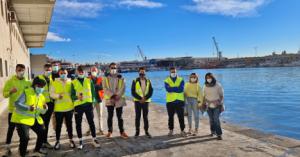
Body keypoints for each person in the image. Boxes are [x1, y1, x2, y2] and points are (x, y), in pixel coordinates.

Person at [11, 78, 48, 157]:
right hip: (21, 119)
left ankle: (37, 150)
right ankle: (22, 154)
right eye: (39, 86)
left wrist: (45, 108)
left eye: (42, 86)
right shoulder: (27, 92)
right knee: (25, 138)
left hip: (33, 119)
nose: (41, 88)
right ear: (34, 85)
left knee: (42, 132)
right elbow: (17, 104)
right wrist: (28, 108)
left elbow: (42, 112)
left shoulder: (42, 97)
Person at [2, 64, 31, 155]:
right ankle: (7, 147)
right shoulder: (10, 81)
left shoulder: (27, 82)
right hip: (13, 110)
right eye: (19, 70)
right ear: (16, 70)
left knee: (23, 131)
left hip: (23, 111)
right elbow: (4, 94)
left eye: (22, 70)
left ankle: (21, 148)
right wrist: (10, 91)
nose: (21, 72)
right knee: (11, 129)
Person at [71, 66, 100, 149]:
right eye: (79, 72)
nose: (81, 73)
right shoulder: (74, 82)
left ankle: (94, 139)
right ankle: (80, 141)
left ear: (85, 72)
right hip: (78, 106)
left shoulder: (89, 80)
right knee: (78, 124)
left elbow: (93, 92)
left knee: (91, 122)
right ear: (77, 72)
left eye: (82, 72)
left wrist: (93, 101)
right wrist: (77, 98)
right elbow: (72, 95)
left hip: (88, 105)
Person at [50, 68, 76, 150]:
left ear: (67, 73)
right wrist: (57, 96)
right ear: (59, 73)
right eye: (61, 73)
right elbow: (51, 94)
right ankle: (57, 141)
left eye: (64, 73)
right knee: (58, 126)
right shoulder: (54, 82)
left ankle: (71, 140)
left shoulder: (71, 82)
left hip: (69, 107)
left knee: (69, 125)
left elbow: (74, 94)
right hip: (59, 109)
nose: (63, 74)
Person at [103, 63, 128, 139]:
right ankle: (110, 132)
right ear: (109, 68)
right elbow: (104, 88)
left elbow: (123, 87)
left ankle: (122, 132)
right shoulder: (106, 78)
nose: (113, 69)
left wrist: (118, 95)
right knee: (110, 116)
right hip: (110, 99)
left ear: (116, 68)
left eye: (114, 68)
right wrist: (113, 95)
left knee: (120, 117)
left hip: (119, 100)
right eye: (112, 68)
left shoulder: (121, 77)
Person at [36, 63, 54, 149]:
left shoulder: (52, 78)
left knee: (46, 123)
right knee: (41, 124)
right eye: (47, 70)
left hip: (50, 104)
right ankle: (41, 142)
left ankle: (44, 141)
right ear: (44, 70)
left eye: (50, 70)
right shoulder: (38, 78)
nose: (48, 71)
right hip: (42, 105)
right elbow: (34, 91)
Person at [131, 67, 153, 138]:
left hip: (146, 102)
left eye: (143, 73)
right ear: (139, 73)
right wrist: (140, 98)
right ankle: (137, 132)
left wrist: (145, 98)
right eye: (141, 73)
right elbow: (133, 92)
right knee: (137, 117)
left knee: (145, 117)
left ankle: (146, 131)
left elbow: (151, 91)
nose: (142, 74)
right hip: (138, 101)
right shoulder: (135, 81)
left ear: (145, 73)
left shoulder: (149, 81)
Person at [164, 67, 186, 136]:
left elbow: (181, 89)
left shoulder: (181, 79)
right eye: (172, 72)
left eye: (174, 72)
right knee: (170, 117)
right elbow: (168, 89)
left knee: (181, 117)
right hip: (170, 102)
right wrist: (176, 88)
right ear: (169, 72)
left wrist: (172, 88)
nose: (173, 73)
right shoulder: (166, 80)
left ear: (176, 72)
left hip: (180, 101)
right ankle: (171, 130)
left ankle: (182, 130)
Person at [203, 72, 224, 140]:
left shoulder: (218, 85)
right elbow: (203, 95)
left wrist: (218, 102)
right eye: (207, 78)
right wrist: (205, 102)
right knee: (211, 120)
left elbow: (221, 96)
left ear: (212, 77)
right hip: (208, 106)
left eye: (209, 77)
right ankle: (212, 131)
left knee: (216, 120)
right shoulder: (205, 85)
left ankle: (219, 134)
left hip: (216, 105)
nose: (208, 79)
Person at [86, 66, 104, 136]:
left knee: (100, 115)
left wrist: (95, 86)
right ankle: (89, 129)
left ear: (97, 72)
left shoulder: (100, 79)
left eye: (95, 70)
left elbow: (103, 88)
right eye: (92, 70)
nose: (94, 71)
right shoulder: (87, 79)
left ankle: (101, 129)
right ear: (90, 71)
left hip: (99, 100)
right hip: (91, 100)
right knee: (90, 116)